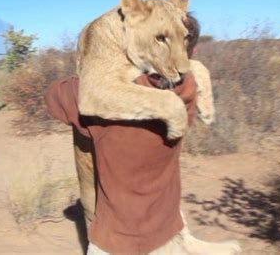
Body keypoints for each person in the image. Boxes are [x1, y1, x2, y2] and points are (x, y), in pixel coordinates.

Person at [45, 14, 238, 254]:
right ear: (194, 52)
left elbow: (55, 95)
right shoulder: (188, 90)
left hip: (115, 239)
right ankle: (184, 240)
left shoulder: (102, 107)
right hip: (163, 229)